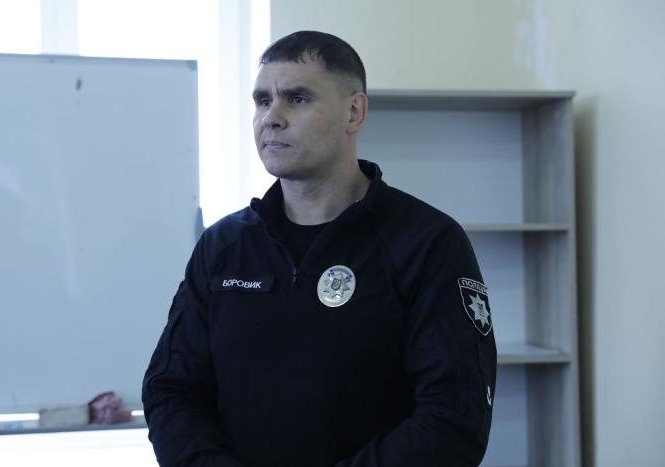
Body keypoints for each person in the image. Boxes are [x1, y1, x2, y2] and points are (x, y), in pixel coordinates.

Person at [142, 30, 496, 467]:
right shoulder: (223, 246)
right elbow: (170, 391)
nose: (271, 117)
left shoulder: (427, 242)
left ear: (354, 112)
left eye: (297, 98)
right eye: (262, 101)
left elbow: (454, 420)